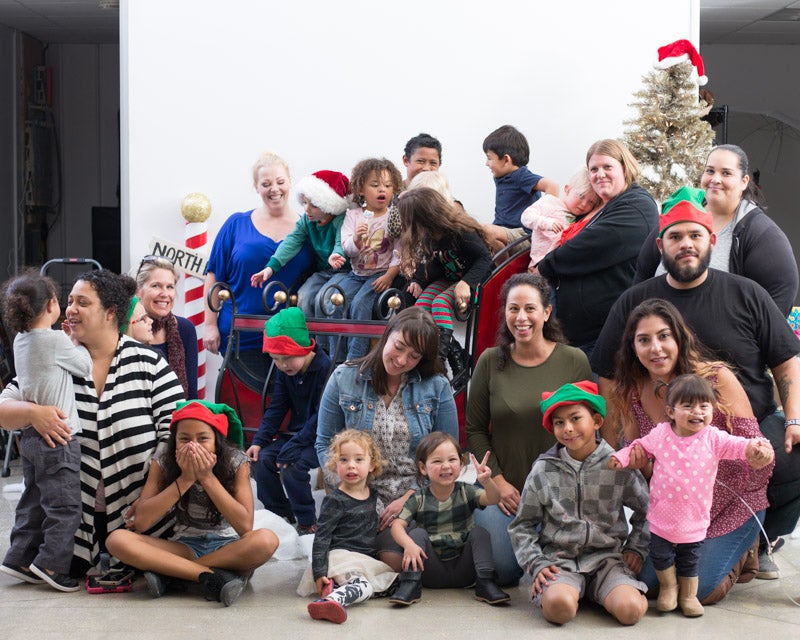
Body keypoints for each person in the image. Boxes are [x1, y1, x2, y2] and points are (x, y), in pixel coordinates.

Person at [591, 188, 800, 580]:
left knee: (791, 456)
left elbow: (787, 360)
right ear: (660, 245)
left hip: (745, 428)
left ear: (711, 240)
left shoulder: (746, 293)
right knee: (654, 579)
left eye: (694, 235)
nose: (685, 244)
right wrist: (621, 438)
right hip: (669, 442)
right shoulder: (635, 303)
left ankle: (759, 538)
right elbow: (607, 371)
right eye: (675, 237)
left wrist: (793, 420)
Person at [0, 270, 185, 575]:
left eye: (82, 302)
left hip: (140, 518)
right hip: (71, 533)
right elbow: (4, 407)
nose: (70, 309)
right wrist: (33, 414)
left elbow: (173, 434)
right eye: (69, 301)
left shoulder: (150, 364)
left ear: (111, 313)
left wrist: (151, 498)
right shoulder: (52, 356)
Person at [604, 298, 775, 602]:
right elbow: (638, 458)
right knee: (649, 583)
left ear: (679, 338)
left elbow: (754, 447)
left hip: (730, 505)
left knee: (701, 590)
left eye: (663, 336)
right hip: (673, 512)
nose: (655, 348)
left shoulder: (715, 378)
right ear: (633, 348)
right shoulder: (633, 391)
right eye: (644, 340)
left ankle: (745, 553)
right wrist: (638, 462)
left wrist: (760, 453)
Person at [609, 374, 774, 617]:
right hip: (661, 518)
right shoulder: (662, 434)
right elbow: (639, 446)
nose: (697, 412)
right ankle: (669, 588)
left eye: (703, 406)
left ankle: (687, 595)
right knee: (659, 557)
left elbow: (739, 445)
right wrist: (621, 457)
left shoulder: (713, 438)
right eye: (687, 406)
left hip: (694, 518)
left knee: (690, 559)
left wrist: (755, 448)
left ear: (712, 409)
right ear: (671, 411)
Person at [465, 273, 592, 586]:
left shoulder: (574, 361)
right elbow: (475, 429)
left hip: (559, 494)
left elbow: (588, 434)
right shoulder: (490, 361)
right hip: (506, 492)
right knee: (504, 573)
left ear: (546, 312)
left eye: (530, 309)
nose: (521, 318)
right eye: (513, 309)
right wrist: (498, 482)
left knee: (565, 576)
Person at [315, 306, 458, 571]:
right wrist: (349, 487)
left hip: (413, 498)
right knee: (361, 562)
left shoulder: (436, 386)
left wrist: (411, 498)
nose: (402, 360)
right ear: (387, 333)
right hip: (358, 497)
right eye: (399, 346)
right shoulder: (344, 378)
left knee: (401, 561)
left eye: (414, 356)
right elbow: (324, 443)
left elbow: (448, 457)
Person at [105, 400, 278, 606]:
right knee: (117, 540)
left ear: (217, 441)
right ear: (174, 441)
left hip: (228, 546)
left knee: (266, 540)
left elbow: (244, 526)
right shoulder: (162, 460)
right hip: (184, 545)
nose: (192, 446)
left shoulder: (235, 461)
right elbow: (142, 522)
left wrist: (206, 478)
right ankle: (214, 576)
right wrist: (185, 479)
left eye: (203, 439)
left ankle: (174, 574)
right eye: (184, 439)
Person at [508, 381, 650, 626]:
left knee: (630, 611)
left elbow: (647, 510)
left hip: (608, 560)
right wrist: (537, 563)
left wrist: (636, 548)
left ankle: (606, 591)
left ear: (596, 421)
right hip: (559, 562)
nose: (568, 429)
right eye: (559, 422)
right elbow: (522, 525)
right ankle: (573, 592)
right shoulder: (543, 469)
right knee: (559, 609)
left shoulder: (617, 465)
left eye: (575, 418)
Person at [0, 271, 92, 591]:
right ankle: (52, 565)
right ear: (52, 304)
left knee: (34, 499)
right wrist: (75, 343)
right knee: (65, 506)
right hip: (61, 439)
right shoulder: (55, 341)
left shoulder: (20, 340)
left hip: (31, 438)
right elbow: (84, 366)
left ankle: (19, 557)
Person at [634, 145, 798, 316]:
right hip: (662, 338)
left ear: (744, 181)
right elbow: (642, 276)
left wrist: (751, 338)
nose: (715, 179)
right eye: (710, 171)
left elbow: (782, 289)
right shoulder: (678, 217)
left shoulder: (760, 233)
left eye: (726, 173)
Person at [537, 138, 659, 354]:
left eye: (607, 167)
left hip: (601, 339)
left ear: (624, 167)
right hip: (578, 337)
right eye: (593, 169)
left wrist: (545, 266)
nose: (599, 174)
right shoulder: (605, 207)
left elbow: (588, 247)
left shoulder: (637, 205)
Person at [203, 151, 313, 388]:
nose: (274, 189)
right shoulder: (236, 224)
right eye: (266, 184)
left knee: (289, 412)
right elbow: (214, 275)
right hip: (240, 337)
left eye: (280, 182)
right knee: (247, 409)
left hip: (292, 339)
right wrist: (210, 324)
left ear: (290, 182)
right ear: (256, 187)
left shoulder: (309, 228)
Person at [389, 432, 510, 606]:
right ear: (423, 468)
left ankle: (486, 582)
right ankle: (410, 584)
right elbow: (397, 526)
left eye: (452, 460)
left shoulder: (466, 491)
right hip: (430, 571)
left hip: (465, 570)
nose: (446, 466)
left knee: (479, 533)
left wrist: (487, 482)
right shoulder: (418, 498)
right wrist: (409, 545)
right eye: (437, 461)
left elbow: (494, 499)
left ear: (461, 465)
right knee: (416, 533)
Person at [245, 308, 330, 534]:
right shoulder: (285, 372)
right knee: (262, 460)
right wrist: (259, 441)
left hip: (322, 437)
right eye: (276, 359)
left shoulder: (326, 369)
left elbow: (320, 417)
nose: (282, 365)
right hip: (295, 436)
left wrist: (293, 446)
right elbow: (277, 407)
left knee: (291, 464)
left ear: (303, 348)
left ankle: (306, 521)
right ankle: (280, 514)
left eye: (287, 358)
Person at [299, 429, 397, 624]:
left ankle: (336, 588)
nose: (351, 466)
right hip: (339, 557)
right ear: (335, 465)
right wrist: (319, 573)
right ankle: (331, 600)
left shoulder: (372, 493)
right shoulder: (335, 500)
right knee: (364, 585)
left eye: (359, 460)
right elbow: (322, 537)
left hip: (362, 559)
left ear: (372, 465)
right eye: (343, 460)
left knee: (394, 582)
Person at [397, 187, 493, 386]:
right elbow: (434, 264)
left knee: (440, 303)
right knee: (419, 309)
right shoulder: (430, 237)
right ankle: (459, 357)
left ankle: (437, 363)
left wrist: (467, 283)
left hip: (473, 280)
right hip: (450, 279)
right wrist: (418, 281)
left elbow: (484, 258)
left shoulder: (460, 232)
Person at [250, 170, 351, 320]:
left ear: (329, 205)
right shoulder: (307, 220)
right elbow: (292, 241)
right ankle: (310, 338)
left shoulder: (341, 219)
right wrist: (271, 267)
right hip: (324, 271)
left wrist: (337, 254)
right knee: (303, 297)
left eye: (314, 205)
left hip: (344, 271)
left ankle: (327, 343)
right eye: (304, 202)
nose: (306, 209)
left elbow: (340, 241)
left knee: (325, 300)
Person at [335, 158, 403, 360]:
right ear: (361, 189)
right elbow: (347, 249)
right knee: (334, 302)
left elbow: (400, 251)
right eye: (375, 185)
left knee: (360, 305)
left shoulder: (394, 215)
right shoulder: (354, 215)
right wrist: (356, 239)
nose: (382, 190)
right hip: (356, 274)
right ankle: (336, 355)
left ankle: (355, 359)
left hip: (380, 274)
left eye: (388, 185)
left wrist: (390, 276)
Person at [482, 124, 559, 243]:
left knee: (487, 231)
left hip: (521, 234)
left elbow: (552, 186)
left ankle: (505, 261)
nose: (487, 164)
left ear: (506, 160)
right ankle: (500, 260)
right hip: (503, 231)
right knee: (476, 232)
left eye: (490, 158)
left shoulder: (521, 176)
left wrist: (544, 220)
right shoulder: (501, 177)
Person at [136, 256, 198, 398]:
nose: (165, 294)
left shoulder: (185, 329)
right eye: (156, 286)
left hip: (177, 415)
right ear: (139, 290)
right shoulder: (126, 328)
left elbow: (191, 395)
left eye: (170, 287)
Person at [521, 167, 600, 272]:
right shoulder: (550, 201)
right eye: (581, 196)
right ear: (567, 189)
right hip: (539, 263)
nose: (584, 204)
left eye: (591, 202)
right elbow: (526, 216)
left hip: (561, 264)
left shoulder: (582, 218)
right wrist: (546, 223)